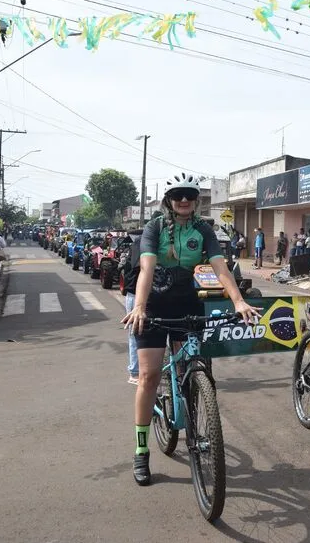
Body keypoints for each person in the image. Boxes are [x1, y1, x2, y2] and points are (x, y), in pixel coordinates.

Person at [122, 172, 260, 486]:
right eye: (177, 195)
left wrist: (237, 300)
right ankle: (141, 450)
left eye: (189, 195)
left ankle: (197, 427)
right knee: (149, 375)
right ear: (168, 200)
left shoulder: (203, 229)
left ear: (196, 200)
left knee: (194, 370)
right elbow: (146, 269)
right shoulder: (154, 228)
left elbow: (220, 267)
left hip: (188, 306)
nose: (184, 200)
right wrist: (140, 306)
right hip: (155, 304)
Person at [120, 230, 143, 385]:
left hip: (141, 295)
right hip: (135, 296)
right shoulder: (140, 246)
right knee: (136, 334)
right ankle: (134, 372)